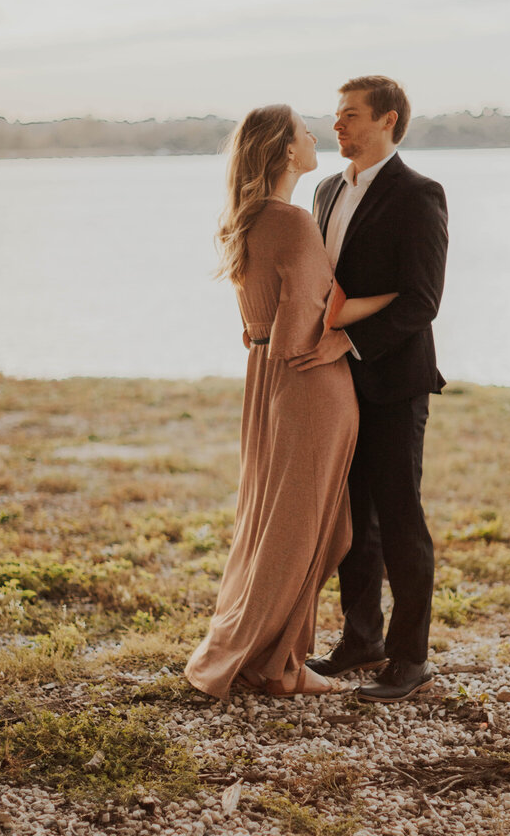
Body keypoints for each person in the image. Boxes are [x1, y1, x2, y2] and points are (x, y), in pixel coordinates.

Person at [184, 104, 396, 700]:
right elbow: (307, 323)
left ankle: (268, 652)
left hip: (265, 379)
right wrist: (384, 304)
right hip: (310, 386)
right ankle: (277, 664)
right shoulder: (296, 222)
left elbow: (259, 321)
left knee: (271, 518)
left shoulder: (246, 218)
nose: (316, 136)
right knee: (298, 529)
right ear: (284, 151)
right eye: (305, 131)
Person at [290, 76, 448, 703]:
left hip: (393, 382)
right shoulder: (326, 191)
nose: (338, 126)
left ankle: (410, 659)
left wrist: (350, 343)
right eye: (335, 116)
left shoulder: (419, 194)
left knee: (401, 515)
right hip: (335, 385)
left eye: (350, 116)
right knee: (352, 517)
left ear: (387, 120)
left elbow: (423, 299)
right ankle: (361, 639)